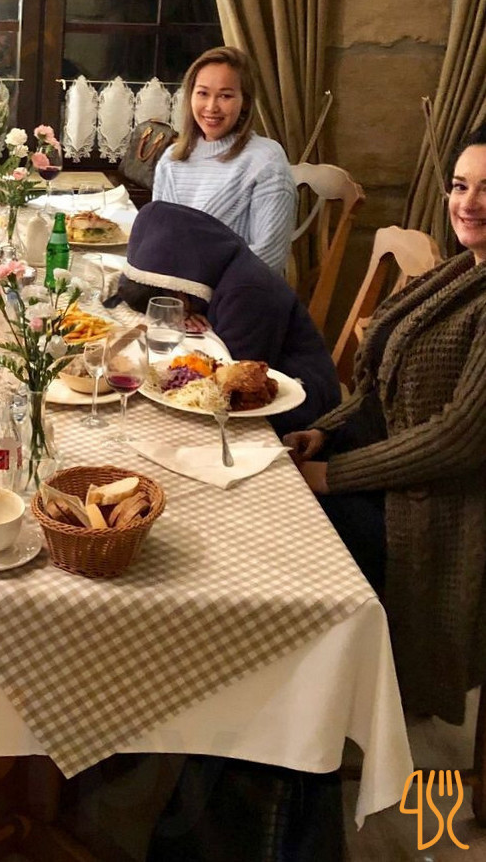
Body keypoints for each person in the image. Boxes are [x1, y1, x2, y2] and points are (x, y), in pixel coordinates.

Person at [284, 126, 486, 725]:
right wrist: (326, 431)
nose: (468, 203)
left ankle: (308, 715)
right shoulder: (460, 272)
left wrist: (333, 474)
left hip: (443, 510)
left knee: (289, 535)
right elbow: (378, 388)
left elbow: (458, 438)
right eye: (460, 186)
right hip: (394, 473)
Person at [118, 201, 340, 435]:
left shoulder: (248, 293)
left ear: (178, 284)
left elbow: (235, 381)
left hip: (300, 403)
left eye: (171, 299)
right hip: (262, 380)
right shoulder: (213, 268)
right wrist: (186, 310)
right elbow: (130, 288)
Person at [151, 46, 296, 276]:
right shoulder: (171, 159)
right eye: (203, 93)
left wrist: (197, 290)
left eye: (225, 96)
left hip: (238, 291)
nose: (211, 107)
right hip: (174, 287)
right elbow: (160, 241)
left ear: (245, 101)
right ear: (190, 96)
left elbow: (269, 258)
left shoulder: (266, 160)